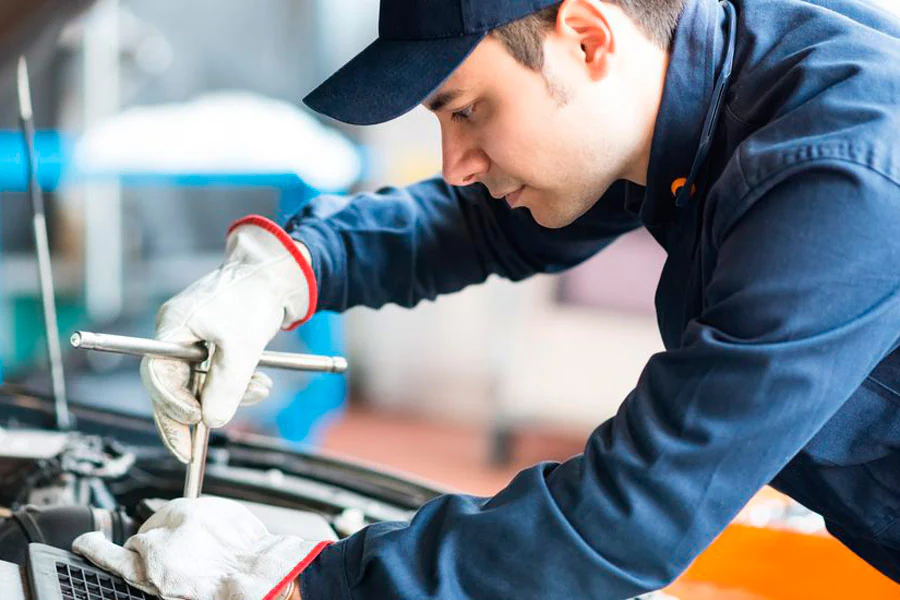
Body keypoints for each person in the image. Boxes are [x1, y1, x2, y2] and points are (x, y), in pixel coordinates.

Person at [72, 0, 900, 597]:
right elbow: (484, 224)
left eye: (469, 111)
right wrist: (284, 271)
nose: (456, 160)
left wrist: (303, 584)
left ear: (586, 37)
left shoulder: (835, 172)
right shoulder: (716, 74)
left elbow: (629, 515)